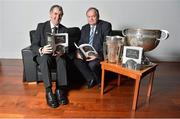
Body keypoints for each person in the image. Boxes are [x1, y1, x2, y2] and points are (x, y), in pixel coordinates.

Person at [31, 5, 68, 108]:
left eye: (60, 15)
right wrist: (41, 49)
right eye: (55, 14)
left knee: (62, 59)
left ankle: (60, 90)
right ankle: (48, 92)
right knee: (44, 58)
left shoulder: (64, 29)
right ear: (50, 14)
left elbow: (67, 48)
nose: (58, 17)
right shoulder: (41, 26)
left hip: (56, 57)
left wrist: (62, 52)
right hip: (44, 56)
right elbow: (33, 45)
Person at [74, 7, 112, 88]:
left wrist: (97, 55)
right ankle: (91, 79)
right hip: (86, 54)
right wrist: (79, 52)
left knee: (92, 64)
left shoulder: (105, 26)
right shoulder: (84, 28)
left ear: (98, 16)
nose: (91, 19)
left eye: (93, 16)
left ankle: (99, 81)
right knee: (77, 60)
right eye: (89, 17)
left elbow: (107, 44)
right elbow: (80, 42)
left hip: (98, 54)